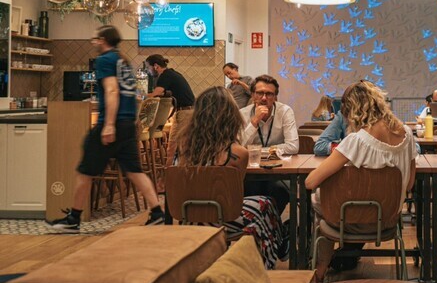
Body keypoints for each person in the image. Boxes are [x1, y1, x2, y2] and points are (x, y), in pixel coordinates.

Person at [47, 25, 163, 232]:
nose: (93, 42)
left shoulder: (105, 60)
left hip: (113, 124)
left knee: (85, 170)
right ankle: (157, 213)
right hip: (128, 124)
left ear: (103, 40)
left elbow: (111, 91)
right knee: (135, 171)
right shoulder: (122, 61)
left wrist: (108, 125)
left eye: (95, 39)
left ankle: (74, 218)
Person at [305, 81, 417, 282]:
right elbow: (409, 185)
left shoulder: (358, 140)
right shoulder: (408, 135)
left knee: (318, 200)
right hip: (389, 219)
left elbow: (310, 182)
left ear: (353, 110)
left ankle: (319, 269)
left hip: (350, 221)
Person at [176, 86, 285, 268]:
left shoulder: (183, 148)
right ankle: (271, 256)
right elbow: (235, 193)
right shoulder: (238, 153)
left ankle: (277, 246)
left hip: (187, 214)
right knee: (267, 203)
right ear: (231, 117)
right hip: (224, 217)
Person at [240, 74, 298, 213]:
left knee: (281, 191)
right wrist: (254, 122)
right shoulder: (243, 113)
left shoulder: (285, 111)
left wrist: (258, 151)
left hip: (279, 171)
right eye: (260, 93)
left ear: (275, 97)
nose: (264, 98)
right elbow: (239, 147)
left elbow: (293, 146)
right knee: (247, 190)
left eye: (269, 94)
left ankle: (272, 226)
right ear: (253, 95)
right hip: (250, 173)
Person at [145, 54, 196, 171]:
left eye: (148, 68)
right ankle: (170, 176)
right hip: (187, 112)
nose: (148, 71)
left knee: (178, 146)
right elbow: (168, 93)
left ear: (156, 66)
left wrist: (140, 96)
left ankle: (173, 178)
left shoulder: (165, 75)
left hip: (185, 113)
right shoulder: (173, 74)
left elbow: (156, 94)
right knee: (176, 146)